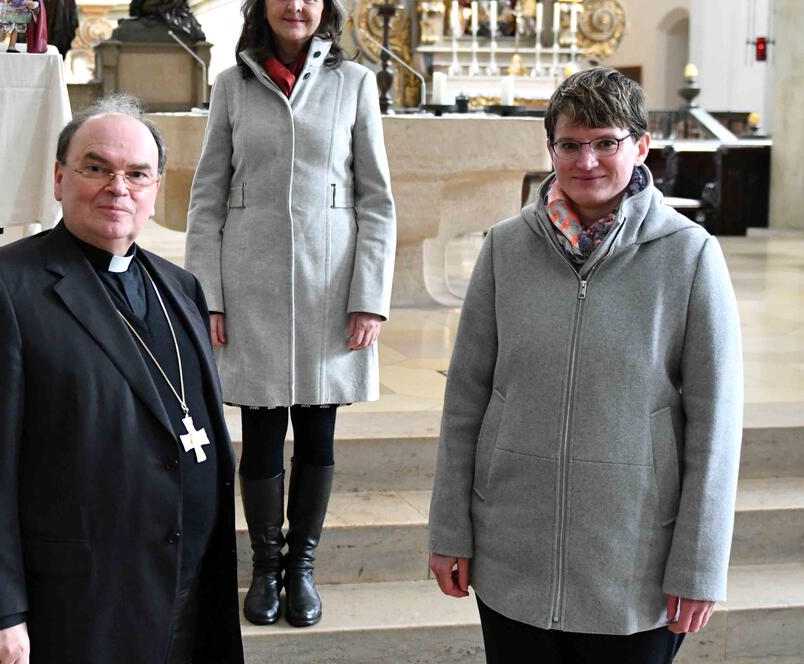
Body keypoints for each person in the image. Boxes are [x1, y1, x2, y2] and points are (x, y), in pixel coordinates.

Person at [427, 67, 742, 663]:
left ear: (641, 146)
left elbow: (716, 423)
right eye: (570, 144)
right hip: (513, 552)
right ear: (551, 150)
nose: (587, 160)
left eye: (606, 142)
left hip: (633, 559)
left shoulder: (690, 255)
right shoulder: (505, 248)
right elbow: (466, 399)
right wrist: (449, 531)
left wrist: (701, 563)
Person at [0, 95, 244, 664]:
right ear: (59, 178)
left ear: (156, 188)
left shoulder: (182, 288)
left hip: (185, 587)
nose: (117, 187)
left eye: (136, 174)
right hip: (77, 603)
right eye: (96, 168)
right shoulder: (0, 286)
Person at [184, 0, 396, 628]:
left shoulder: (355, 82)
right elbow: (207, 200)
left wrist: (369, 297)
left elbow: (376, 199)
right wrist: (208, 297)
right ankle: (265, 566)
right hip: (250, 284)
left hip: (330, 286)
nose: (296, 5)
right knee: (263, 430)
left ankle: (302, 565)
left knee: (319, 431)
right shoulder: (231, 85)